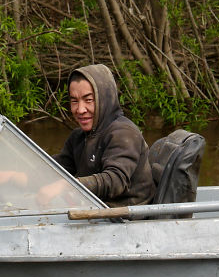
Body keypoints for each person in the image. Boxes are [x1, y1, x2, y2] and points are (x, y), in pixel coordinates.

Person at [35, 63, 155, 207]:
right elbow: (54, 170)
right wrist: (14, 175)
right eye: (74, 101)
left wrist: (65, 185)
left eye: (88, 100)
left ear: (104, 100)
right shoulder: (78, 137)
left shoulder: (124, 133)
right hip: (96, 211)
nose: (80, 109)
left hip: (127, 220)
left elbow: (115, 181)